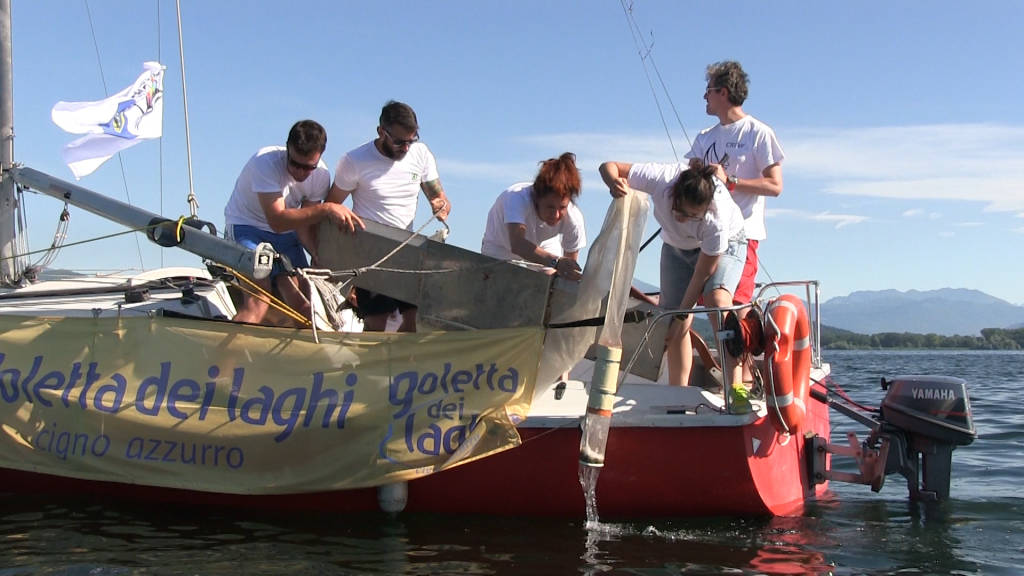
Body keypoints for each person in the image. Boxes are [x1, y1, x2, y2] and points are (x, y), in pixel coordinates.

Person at [600, 159, 747, 395]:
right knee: (670, 318)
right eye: (679, 210)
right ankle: (678, 393)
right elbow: (609, 166)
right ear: (674, 194)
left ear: (706, 210)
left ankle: (735, 387)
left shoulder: (716, 220)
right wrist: (613, 182)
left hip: (729, 243)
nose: (682, 219)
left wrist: (683, 316)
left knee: (716, 301)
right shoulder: (661, 178)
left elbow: (701, 274)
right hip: (675, 246)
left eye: (692, 216)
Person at [224, 119, 364, 326]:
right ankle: (225, 358)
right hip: (248, 227)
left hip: (287, 235)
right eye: (295, 164)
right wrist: (327, 209)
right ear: (288, 149)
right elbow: (277, 221)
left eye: (308, 167)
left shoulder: (320, 176)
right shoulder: (264, 163)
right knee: (259, 300)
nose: (300, 172)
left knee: (306, 305)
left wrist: (317, 254)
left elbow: (305, 223)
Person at [329, 100, 451, 333]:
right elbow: (332, 205)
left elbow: (440, 198)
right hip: (370, 252)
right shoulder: (354, 161)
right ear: (381, 132)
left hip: (407, 252)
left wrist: (440, 205)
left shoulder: (421, 153)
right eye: (399, 142)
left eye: (410, 141)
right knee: (377, 321)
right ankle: (367, 368)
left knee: (411, 321)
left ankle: (405, 368)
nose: (406, 148)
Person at [685, 60, 784, 311]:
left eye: (708, 90)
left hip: (743, 234)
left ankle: (746, 345)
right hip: (705, 234)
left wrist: (730, 182)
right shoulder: (704, 137)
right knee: (706, 305)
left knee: (729, 304)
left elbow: (775, 185)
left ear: (723, 92)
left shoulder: (758, 133)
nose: (704, 96)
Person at [481, 152, 585, 281]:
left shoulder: (574, 219)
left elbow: (569, 268)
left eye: (562, 207)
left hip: (544, 243)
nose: (556, 215)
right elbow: (517, 244)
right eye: (550, 207)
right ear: (536, 197)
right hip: (501, 243)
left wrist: (564, 271)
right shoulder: (515, 198)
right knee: (496, 280)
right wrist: (556, 262)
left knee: (551, 279)